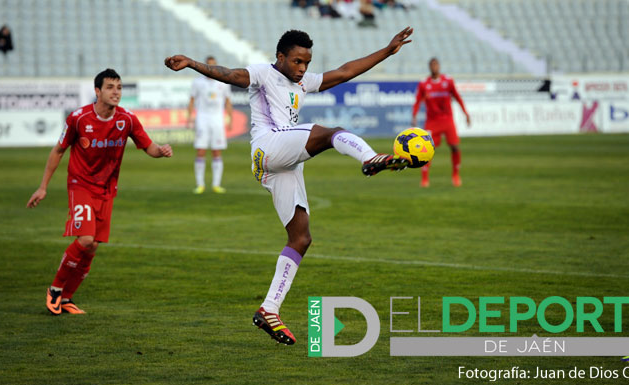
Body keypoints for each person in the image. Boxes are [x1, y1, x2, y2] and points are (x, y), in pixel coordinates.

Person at [165, 26, 414, 345]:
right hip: (268, 147)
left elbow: (346, 71)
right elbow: (229, 74)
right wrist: (192, 63)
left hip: (281, 164)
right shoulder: (263, 74)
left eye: (306, 63)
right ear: (280, 57)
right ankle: (369, 158)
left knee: (301, 237)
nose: (302, 69)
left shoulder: (303, 81)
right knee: (329, 133)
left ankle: (269, 309)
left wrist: (386, 50)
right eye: (297, 61)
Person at [27, 69, 173, 315]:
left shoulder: (126, 119)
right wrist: (43, 187)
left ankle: (67, 299)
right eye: (110, 87)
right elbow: (58, 151)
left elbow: (148, 146)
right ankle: (55, 289)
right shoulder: (78, 118)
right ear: (97, 91)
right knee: (84, 239)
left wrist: (162, 150)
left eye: (119, 87)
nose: (116, 92)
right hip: (81, 184)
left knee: (92, 246)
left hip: (107, 189)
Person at [411, 57, 470, 187]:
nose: (434, 67)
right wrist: (414, 116)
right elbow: (417, 101)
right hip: (432, 121)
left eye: (436, 64)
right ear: (429, 67)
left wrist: (465, 113)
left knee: (454, 146)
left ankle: (456, 175)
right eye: (432, 65)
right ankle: (425, 178)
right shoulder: (424, 84)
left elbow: (457, 97)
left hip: (447, 120)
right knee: (426, 150)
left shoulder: (448, 81)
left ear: (439, 66)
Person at [187, 56, 233, 194]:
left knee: (216, 151)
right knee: (200, 150)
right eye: (209, 65)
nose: (211, 67)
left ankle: (216, 184)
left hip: (217, 119)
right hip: (202, 118)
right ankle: (200, 184)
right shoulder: (197, 82)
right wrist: (190, 117)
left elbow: (228, 101)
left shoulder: (223, 82)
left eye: (213, 65)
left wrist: (230, 118)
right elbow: (192, 100)